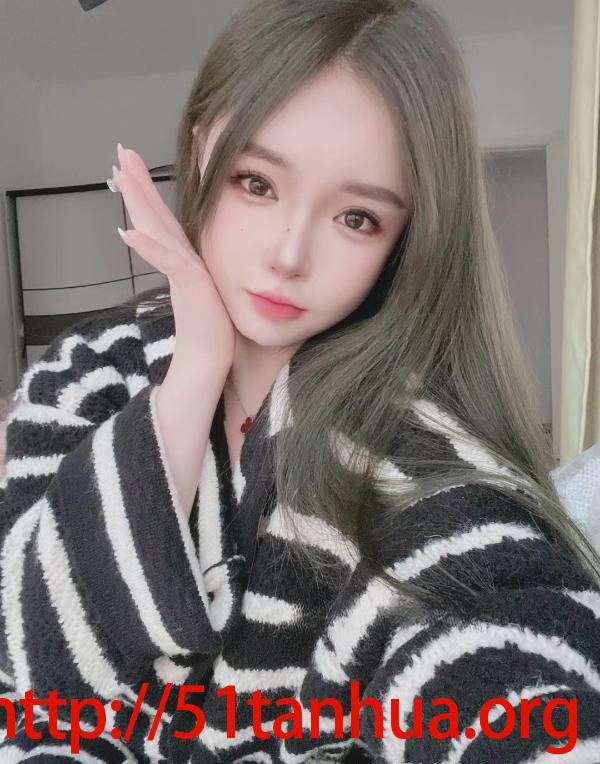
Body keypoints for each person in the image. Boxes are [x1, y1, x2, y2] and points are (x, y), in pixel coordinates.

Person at [2, 0, 600, 761]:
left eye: (357, 218)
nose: (289, 255)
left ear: (407, 237)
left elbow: (496, 639)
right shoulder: (85, 371)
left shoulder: (410, 442)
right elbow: (33, 660)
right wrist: (195, 372)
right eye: (257, 182)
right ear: (203, 150)